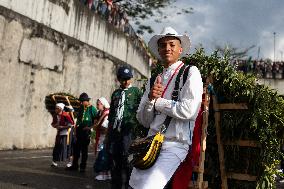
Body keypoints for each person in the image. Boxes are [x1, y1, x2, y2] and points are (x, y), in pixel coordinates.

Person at [129, 26, 203, 189]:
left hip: (175, 144)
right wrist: (149, 99)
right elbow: (144, 120)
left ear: (180, 49)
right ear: (159, 50)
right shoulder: (154, 79)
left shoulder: (190, 72)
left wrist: (158, 102)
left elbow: (190, 111)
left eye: (172, 44)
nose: (167, 48)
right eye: (163, 45)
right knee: (134, 185)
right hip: (151, 143)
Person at [106, 65, 143, 189]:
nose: (125, 81)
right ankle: (115, 185)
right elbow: (112, 113)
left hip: (129, 131)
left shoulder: (136, 92)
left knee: (128, 160)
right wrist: (109, 132)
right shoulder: (116, 93)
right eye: (123, 79)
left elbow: (142, 111)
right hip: (115, 131)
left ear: (131, 78)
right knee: (115, 160)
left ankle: (129, 185)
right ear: (118, 79)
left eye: (128, 78)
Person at [68, 92, 98, 172]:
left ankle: (82, 167)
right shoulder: (81, 107)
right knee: (76, 149)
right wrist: (75, 129)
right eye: (80, 101)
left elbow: (96, 121)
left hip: (86, 132)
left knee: (84, 150)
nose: (81, 102)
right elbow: (78, 119)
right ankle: (74, 165)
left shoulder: (92, 109)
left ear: (87, 101)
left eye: (82, 101)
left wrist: (90, 128)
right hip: (79, 130)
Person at [93, 97, 111, 180]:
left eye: (98, 104)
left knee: (103, 155)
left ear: (103, 104)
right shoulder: (100, 113)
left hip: (104, 138)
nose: (97, 106)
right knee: (103, 155)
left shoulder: (106, 114)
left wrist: (97, 126)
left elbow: (105, 128)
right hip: (102, 137)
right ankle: (106, 173)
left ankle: (104, 174)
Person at [51, 103, 74, 167]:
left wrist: (62, 127)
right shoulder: (55, 115)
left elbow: (70, 125)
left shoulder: (66, 115)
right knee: (57, 146)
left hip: (67, 133)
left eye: (57, 108)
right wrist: (55, 125)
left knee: (66, 147)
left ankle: (69, 162)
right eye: (55, 108)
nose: (56, 109)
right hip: (59, 132)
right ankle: (54, 161)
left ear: (61, 109)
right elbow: (53, 124)